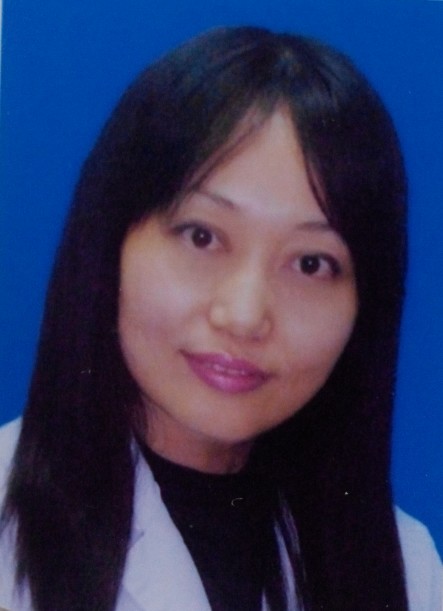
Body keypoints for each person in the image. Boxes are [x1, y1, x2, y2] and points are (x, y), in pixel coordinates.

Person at [0, 25, 441, 611]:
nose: (244, 315)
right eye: (202, 236)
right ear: (109, 242)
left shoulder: (407, 568)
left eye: (311, 263)